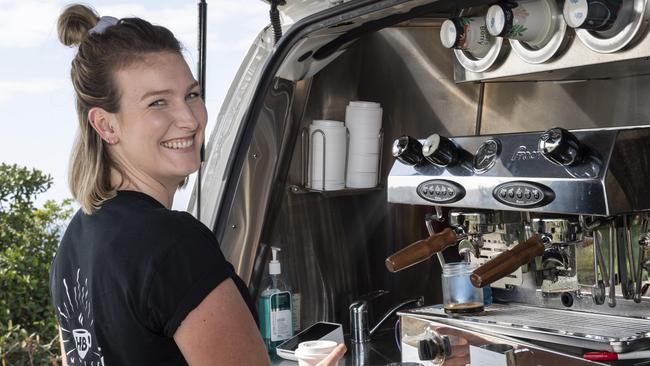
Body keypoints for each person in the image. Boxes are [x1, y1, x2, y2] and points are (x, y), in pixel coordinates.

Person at [49, 4, 346, 365]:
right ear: (106, 125)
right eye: (158, 102)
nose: (189, 119)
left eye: (192, 94)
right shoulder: (172, 243)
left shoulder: (73, 243)